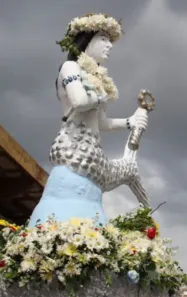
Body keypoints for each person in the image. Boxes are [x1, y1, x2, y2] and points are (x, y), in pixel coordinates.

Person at [28, 13, 149, 227]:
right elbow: (79, 100)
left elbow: (101, 123)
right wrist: (101, 95)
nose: (109, 46)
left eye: (111, 41)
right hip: (73, 148)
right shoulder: (70, 68)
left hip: (92, 152)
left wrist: (130, 122)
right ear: (86, 40)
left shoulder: (97, 78)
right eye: (103, 38)